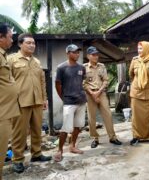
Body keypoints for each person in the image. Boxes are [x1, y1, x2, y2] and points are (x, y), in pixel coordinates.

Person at [8, 33, 51, 173]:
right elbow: (6, 82)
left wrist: (44, 99)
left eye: (33, 43)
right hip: (20, 102)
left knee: (37, 129)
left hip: (37, 101)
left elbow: (42, 82)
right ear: (20, 44)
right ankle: (18, 160)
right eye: (28, 43)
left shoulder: (37, 62)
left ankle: (36, 154)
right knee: (19, 133)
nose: (32, 45)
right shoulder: (11, 60)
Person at [54, 44, 87, 162]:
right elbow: (58, 84)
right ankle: (60, 150)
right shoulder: (61, 67)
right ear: (68, 53)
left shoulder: (81, 67)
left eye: (78, 52)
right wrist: (63, 98)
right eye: (74, 52)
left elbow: (83, 82)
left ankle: (72, 146)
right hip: (69, 102)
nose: (77, 54)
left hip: (81, 101)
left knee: (78, 125)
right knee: (66, 128)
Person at [84, 46, 122, 148]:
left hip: (101, 94)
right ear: (88, 56)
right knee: (92, 118)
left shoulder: (102, 66)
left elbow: (106, 80)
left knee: (108, 115)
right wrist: (92, 93)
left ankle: (112, 137)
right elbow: (83, 83)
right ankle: (94, 139)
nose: (96, 56)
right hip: (90, 95)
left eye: (97, 54)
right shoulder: (84, 68)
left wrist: (99, 92)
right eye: (93, 55)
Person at [0, 23, 20, 179]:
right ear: (0, 37)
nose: (11, 40)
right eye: (10, 37)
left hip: (6, 111)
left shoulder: (3, 55)